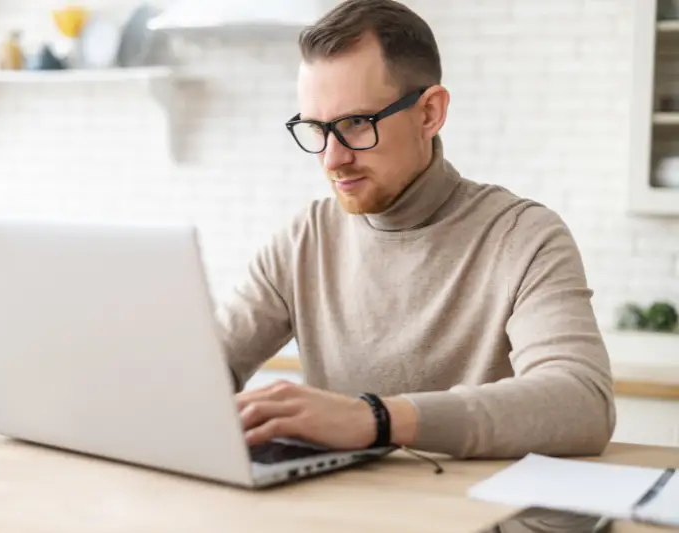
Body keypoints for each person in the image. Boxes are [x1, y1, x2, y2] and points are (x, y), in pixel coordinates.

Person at [215, 0, 616, 459]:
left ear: (429, 113)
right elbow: (207, 368)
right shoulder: (305, 238)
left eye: (355, 124)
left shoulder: (525, 237)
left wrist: (376, 420)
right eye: (316, 128)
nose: (332, 158)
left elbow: (583, 403)